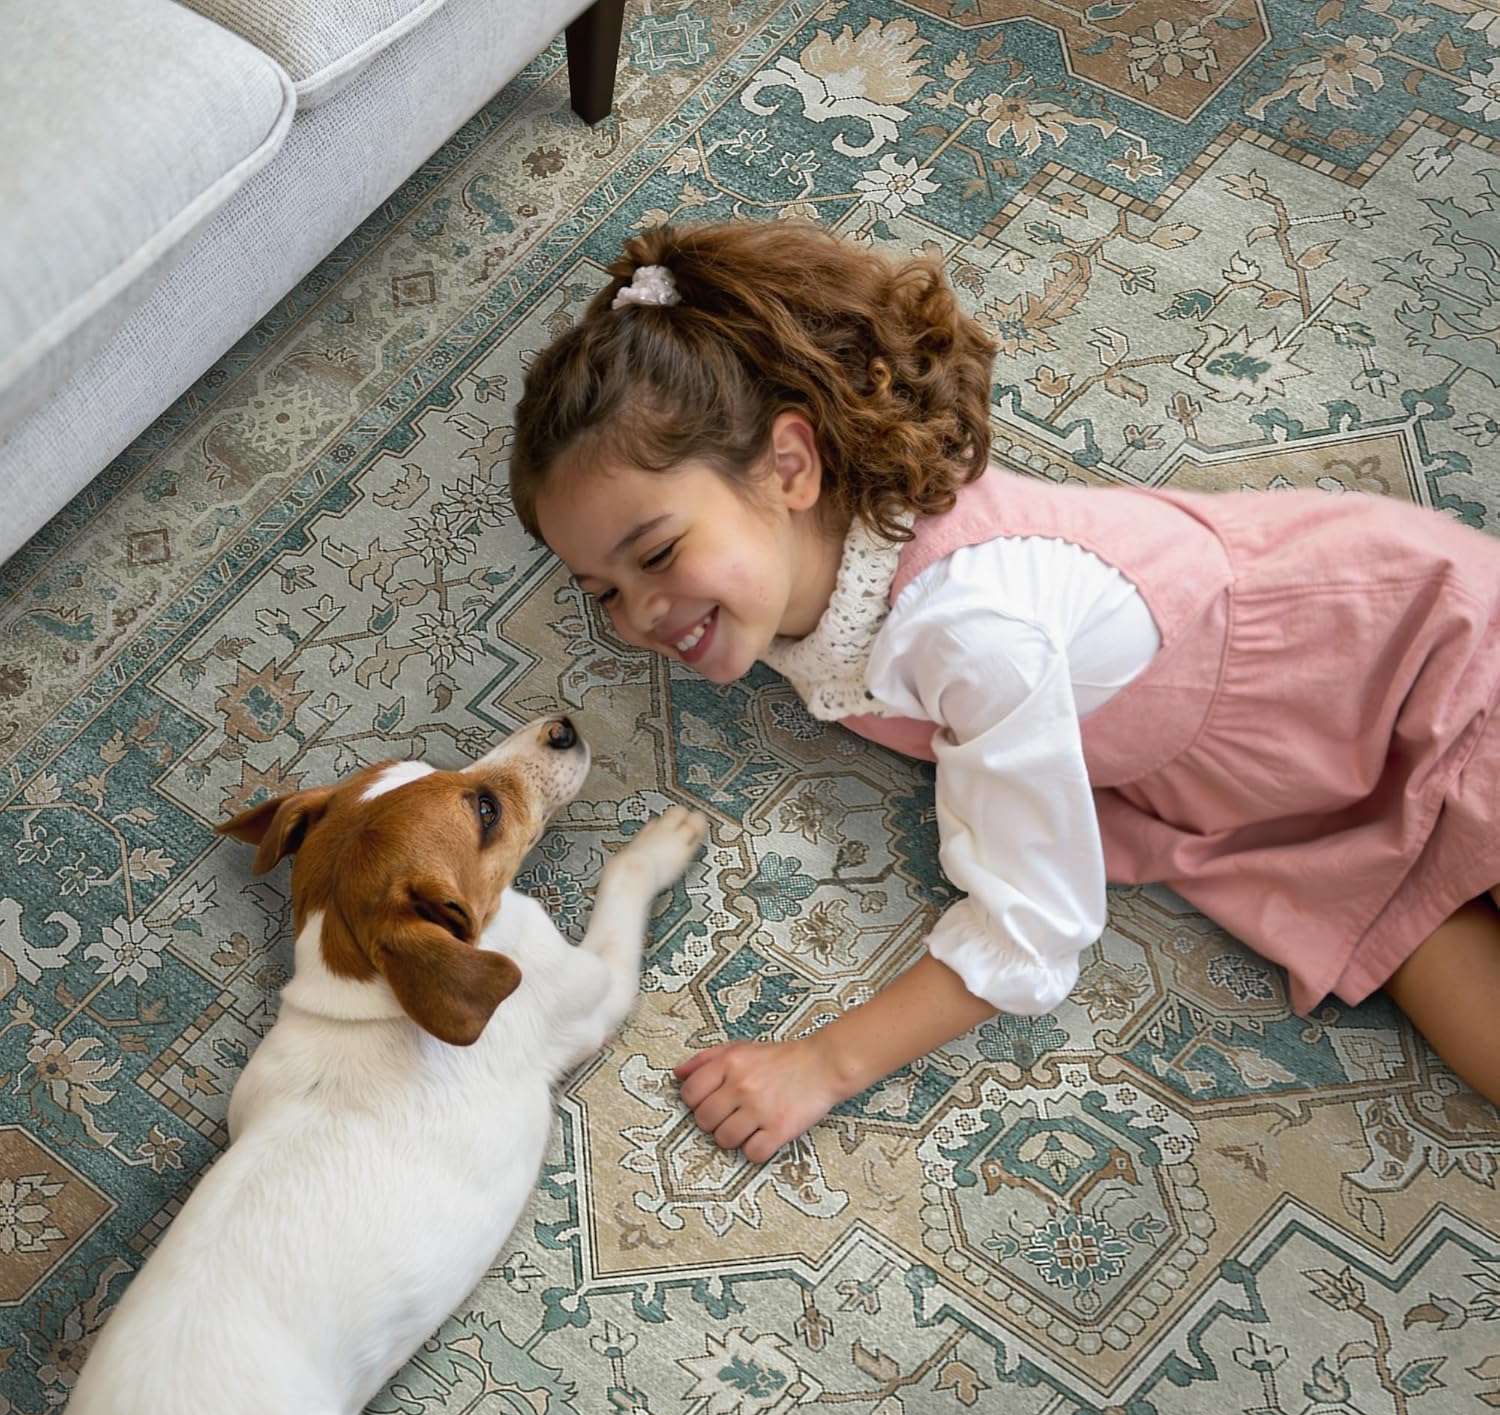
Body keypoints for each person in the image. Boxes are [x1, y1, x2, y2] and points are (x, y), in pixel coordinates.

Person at [509, 219, 1500, 1163]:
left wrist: (821, 1064)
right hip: (1281, 788)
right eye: (603, 591)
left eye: (656, 555)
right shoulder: (777, 563)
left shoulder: (971, 629)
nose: (642, 616)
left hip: (1422, 657)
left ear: (791, 467)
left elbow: (1037, 924)